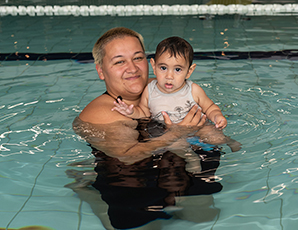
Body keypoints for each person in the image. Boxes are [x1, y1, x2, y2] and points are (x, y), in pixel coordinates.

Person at [72, 27, 224, 230]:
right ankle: (90, 194)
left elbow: (205, 109)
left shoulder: (162, 87)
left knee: (203, 216)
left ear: (148, 62)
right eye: (119, 61)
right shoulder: (103, 112)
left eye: (138, 58)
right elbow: (128, 156)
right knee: (145, 227)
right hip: (131, 178)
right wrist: (178, 132)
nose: (132, 68)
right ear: (101, 71)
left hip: (171, 166)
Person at [112, 36, 239, 172]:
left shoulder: (193, 90)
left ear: (189, 71)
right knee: (175, 144)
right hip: (170, 131)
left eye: (177, 69)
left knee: (214, 136)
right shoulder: (149, 90)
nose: (169, 76)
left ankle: (229, 141)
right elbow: (143, 112)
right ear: (154, 66)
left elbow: (209, 107)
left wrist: (217, 117)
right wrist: (131, 112)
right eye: (163, 68)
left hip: (199, 127)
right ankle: (191, 158)